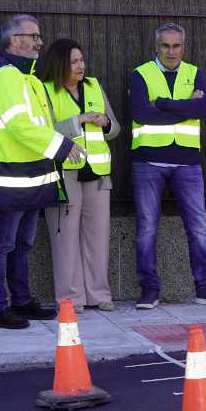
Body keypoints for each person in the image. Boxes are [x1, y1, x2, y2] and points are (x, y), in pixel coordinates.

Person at [0, 14, 83, 329]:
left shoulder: (29, 78)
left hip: (32, 174)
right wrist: (63, 147)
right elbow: (20, 126)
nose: (39, 42)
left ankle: (20, 302)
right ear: (16, 39)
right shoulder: (5, 76)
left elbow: (37, 127)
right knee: (4, 244)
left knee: (23, 244)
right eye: (34, 36)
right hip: (9, 175)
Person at [129, 21, 206, 310]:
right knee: (147, 228)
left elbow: (204, 108)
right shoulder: (140, 74)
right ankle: (149, 290)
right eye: (165, 45)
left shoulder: (194, 72)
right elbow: (140, 114)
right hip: (148, 161)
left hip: (187, 163)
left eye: (176, 46)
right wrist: (184, 108)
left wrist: (161, 103)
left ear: (183, 47)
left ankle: (205, 288)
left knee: (198, 227)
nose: (171, 51)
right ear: (156, 47)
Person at [36, 38, 120, 314]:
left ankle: (99, 294)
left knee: (98, 238)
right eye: (73, 61)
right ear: (59, 63)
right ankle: (70, 299)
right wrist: (79, 121)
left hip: (97, 175)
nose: (80, 65)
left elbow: (115, 128)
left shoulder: (94, 86)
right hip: (63, 174)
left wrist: (105, 122)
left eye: (82, 60)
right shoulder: (45, 90)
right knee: (65, 239)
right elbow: (42, 130)